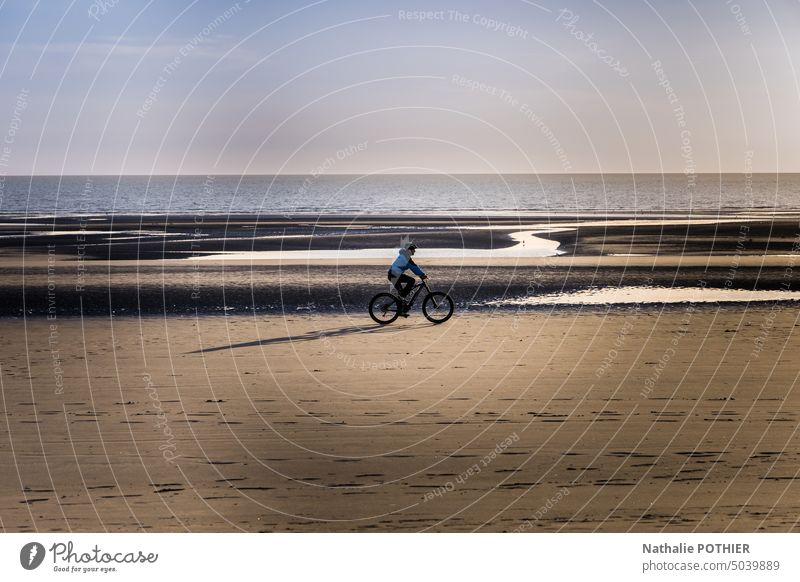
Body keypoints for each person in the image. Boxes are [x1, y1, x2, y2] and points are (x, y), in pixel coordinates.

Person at [388, 240, 426, 316]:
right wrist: (422, 274)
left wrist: (421, 274)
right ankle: (400, 305)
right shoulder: (406, 257)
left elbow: (414, 266)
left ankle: (401, 310)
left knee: (402, 294)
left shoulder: (405, 256)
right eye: (413, 249)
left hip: (395, 275)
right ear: (409, 250)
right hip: (394, 275)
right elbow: (414, 267)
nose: (414, 251)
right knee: (411, 281)